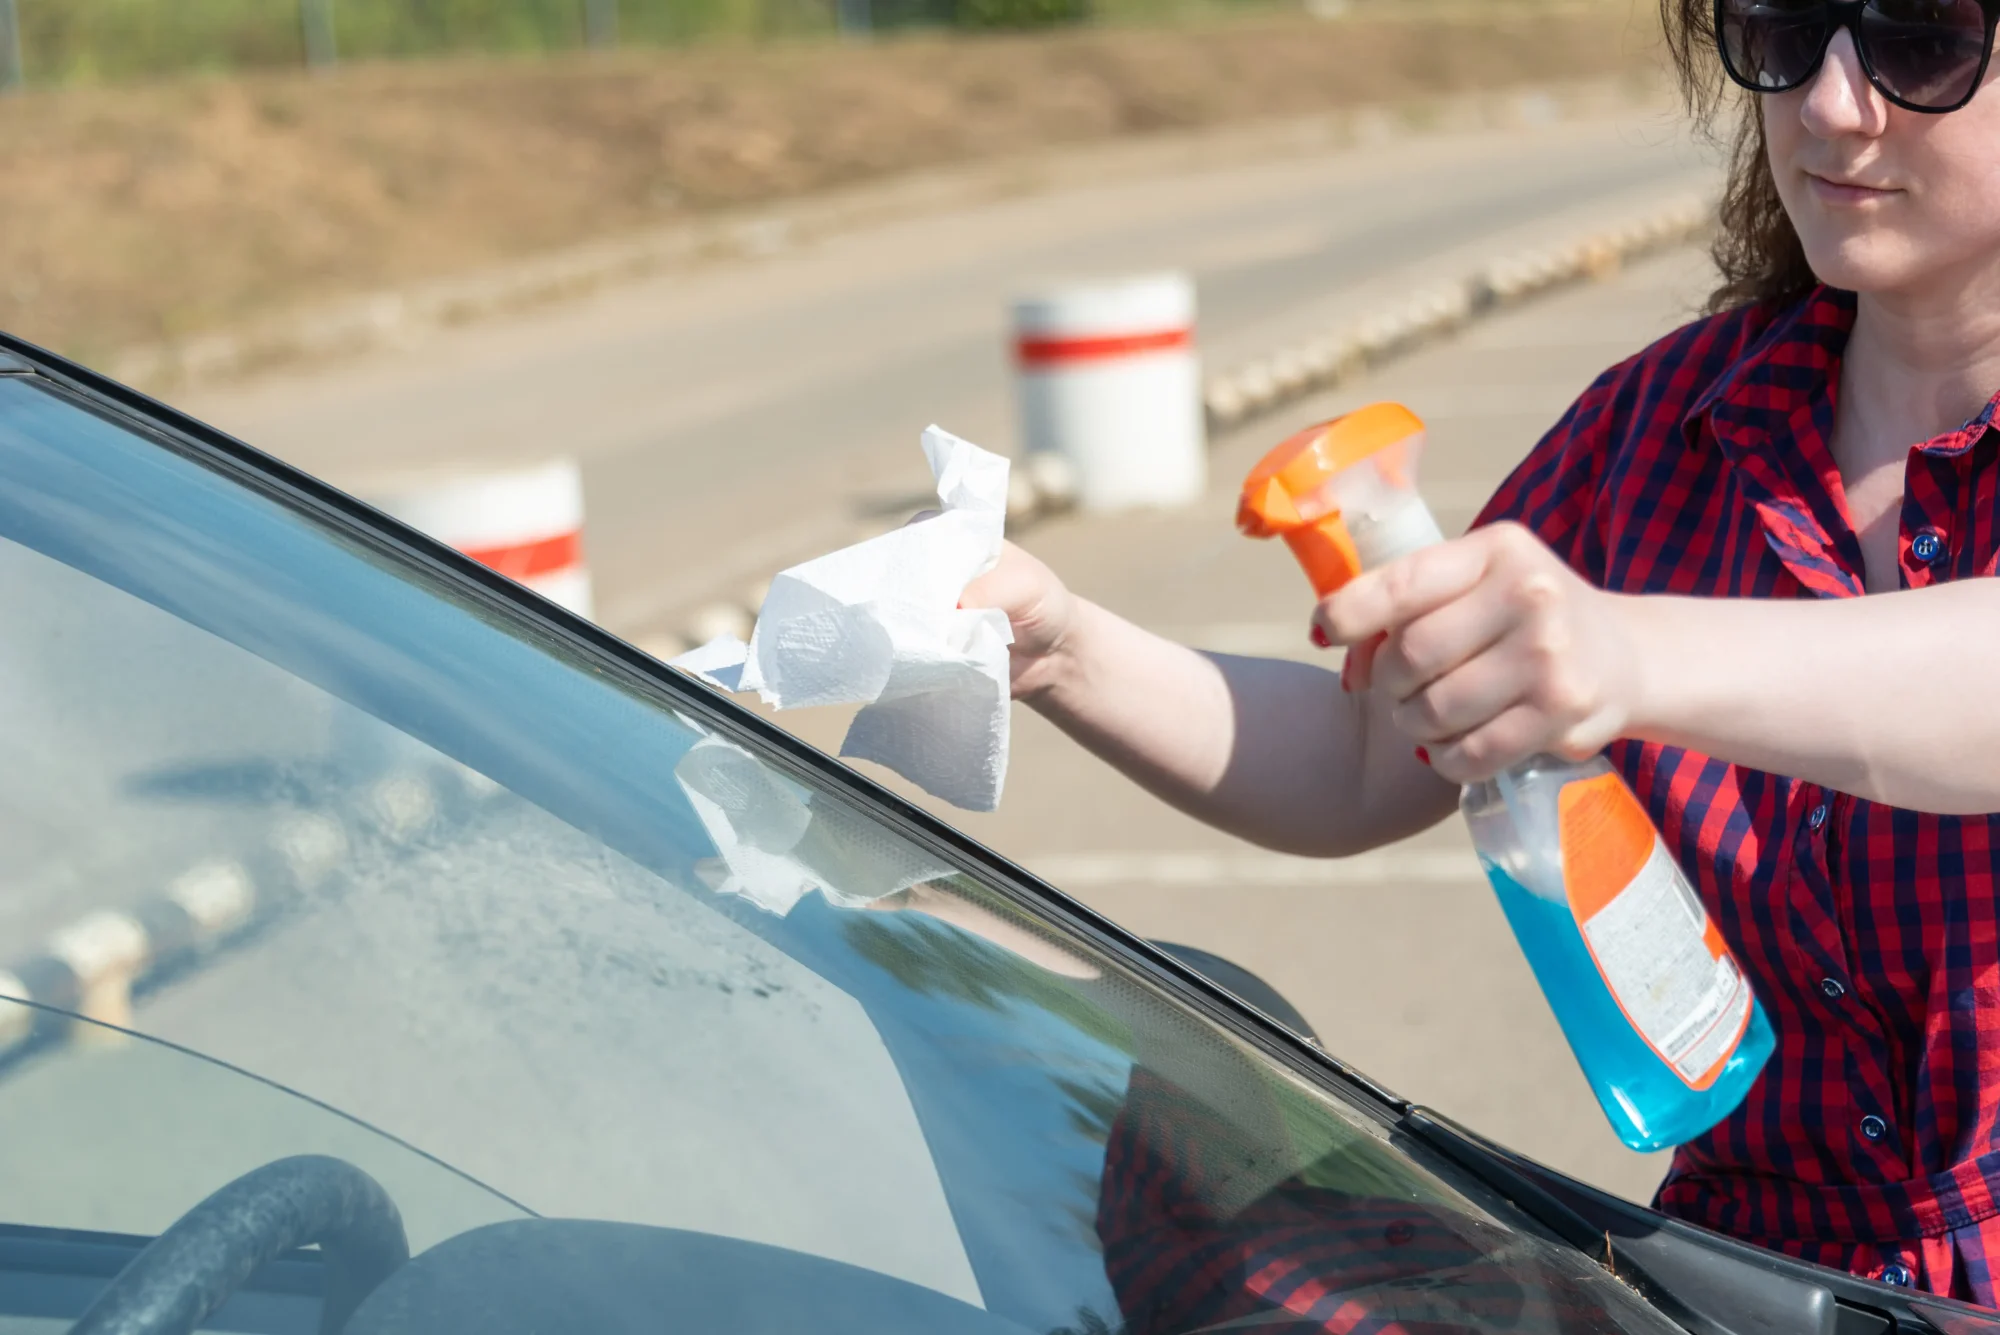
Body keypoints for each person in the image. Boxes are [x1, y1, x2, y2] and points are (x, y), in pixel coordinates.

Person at [960, 0, 2000, 1307]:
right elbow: (1360, 759)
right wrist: (1058, 643)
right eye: (1784, 26)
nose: (1834, 103)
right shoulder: (1661, 427)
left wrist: (1627, 648)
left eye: (1921, 37)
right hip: (1744, 1280)